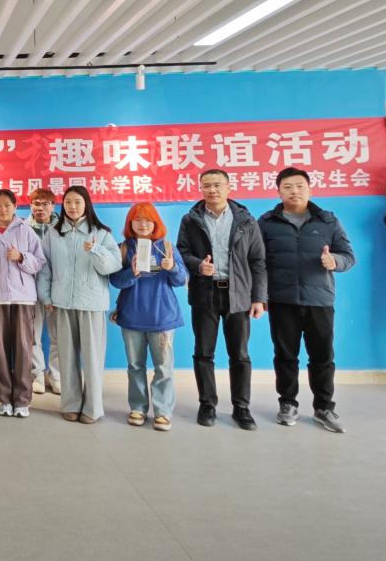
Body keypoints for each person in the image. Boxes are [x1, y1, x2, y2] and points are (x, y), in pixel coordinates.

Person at [258, 167, 355, 433]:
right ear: (278, 191)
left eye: (300, 186)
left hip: (319, 300)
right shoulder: (266, 222)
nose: (294, 191)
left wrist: (334, 261)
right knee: (285, 356)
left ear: (310, 189)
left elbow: (348, 256)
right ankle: (287, 403)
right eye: (287, 187)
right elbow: (258, 263)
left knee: (322, 356)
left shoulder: (328, 221)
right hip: (282, 300)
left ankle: (324, 407)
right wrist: (261, 296)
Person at [176, 169, 267, 430]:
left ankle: (241, 407)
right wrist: (198, 265)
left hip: (238, 293)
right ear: (200, 188)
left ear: (229, 187)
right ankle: (207, 404)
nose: (212, 190)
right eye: (206, 185)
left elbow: (258, 261)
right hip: (204, 293)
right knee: (203, 352)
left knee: (240, 354)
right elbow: (182, 252)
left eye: (217, 185)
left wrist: (259, 298)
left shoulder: (246, 221)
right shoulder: (190, 219)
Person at [37, 186, 121, 424]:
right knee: (67, 357)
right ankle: (70, 404)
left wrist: (96, 250)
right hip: (63, 303)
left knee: (93, 359)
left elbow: (113, 265)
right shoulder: (54, 233)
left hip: (91, 304)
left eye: (78, 202)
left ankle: (93, 408)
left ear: (87, 204)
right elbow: (44, 267)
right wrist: (46, 297)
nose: (73, 207)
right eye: (68, 202)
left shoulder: (101, 233)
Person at [110, 203, 187, 432]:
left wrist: (172, 267)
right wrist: (131, 273)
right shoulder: (123, 248)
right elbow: (115, 280)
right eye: (137, 220)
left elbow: (182, 280)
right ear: (130, 223)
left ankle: (163, 411)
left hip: (162, 317)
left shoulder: (167, 247)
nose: (143, 224)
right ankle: (138, 408)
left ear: (156, 223)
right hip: (132, 316)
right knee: (135, 366)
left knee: (164, 367)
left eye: (148, 220)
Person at [0, 190, 45, 418]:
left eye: (7, 205)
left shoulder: (26, 230)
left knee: (23, 349)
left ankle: (22, 400)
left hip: (23, 298)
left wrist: (21, 257)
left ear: (15, 206)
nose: (3, 209)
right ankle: (4, 398)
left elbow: (39, 262)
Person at [27, 188, 59, 395]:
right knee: (33, 335)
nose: (40, 208)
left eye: (45, 204)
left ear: (53, 206)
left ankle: (56, 375)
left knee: (58, 336)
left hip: (57, 288)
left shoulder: (63, 227)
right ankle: (36, 374)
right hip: (31, 288)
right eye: (36, 204)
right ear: (30, 206)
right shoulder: (23, 227)